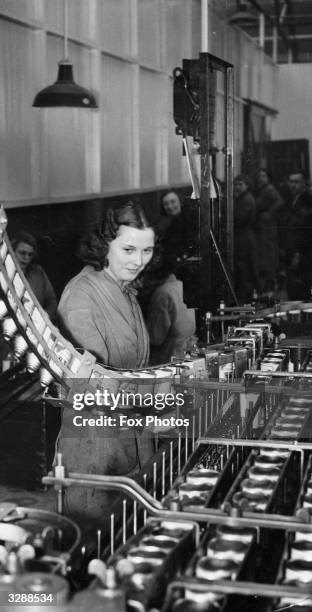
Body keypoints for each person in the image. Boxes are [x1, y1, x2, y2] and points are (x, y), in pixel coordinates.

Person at [56, 201, 155, 527]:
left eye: (147, 251)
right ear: (104, 246)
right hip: (95, 444)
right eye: (128, 249)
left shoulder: (124, 289)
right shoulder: (83, 295)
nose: (139, 261)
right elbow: (91, 386)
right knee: (97, 538)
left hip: (132, 436)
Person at [146, 254, 196, 365]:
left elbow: (156, 337)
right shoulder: (181, 286)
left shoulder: (162, 293)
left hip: (169, 358)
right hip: (187, 354)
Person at [12, 231, 57, 321]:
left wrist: (45, 316)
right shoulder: (3, 275)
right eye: (22, 253)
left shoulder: (38, 272)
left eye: (30, 254)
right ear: (12, 251)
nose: (26, 258)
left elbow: (51, 301)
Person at [282, 171, 312, 299]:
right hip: (292, 250)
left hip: (304, 252)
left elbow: (305, 232)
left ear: (304, 183)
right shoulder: (290, 200)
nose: (293, 185)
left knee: (302, 289)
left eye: (297, 182)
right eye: (291, 182)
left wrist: (298, 253)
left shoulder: (308, 201)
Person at [254, 169, 283, 297]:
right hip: (263, 227)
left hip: (267, 227)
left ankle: (271, 285)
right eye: (259, 176)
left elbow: (279, 201)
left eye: (264, 176)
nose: (261, 178)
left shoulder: (269, 189)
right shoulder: (262, 189)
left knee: (268, 255)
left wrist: (269, 213)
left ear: (268, 178)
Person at [233, 174, 259, 303]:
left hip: (244, 237)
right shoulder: (241, 198)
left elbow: (240, 218)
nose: (237, 187)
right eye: (235, 184)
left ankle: (246, 299)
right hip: (241, 236)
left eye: (240, 184)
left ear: (247, 186)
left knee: (245, 268)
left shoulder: (247, 199)